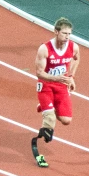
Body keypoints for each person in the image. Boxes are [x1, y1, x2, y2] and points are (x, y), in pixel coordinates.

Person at [30, 17, 80, 168]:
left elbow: (76, 59)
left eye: (69, 34)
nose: (67, 37)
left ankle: (46, 107)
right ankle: (47, 108)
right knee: (49, 125)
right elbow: (39, 73)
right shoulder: (45, 49)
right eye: (64, 33)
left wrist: (70, 76)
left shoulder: (73, 47)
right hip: (46, 85)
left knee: (66, 120)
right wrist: (55, 77)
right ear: (56, 32)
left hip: (61, 86)